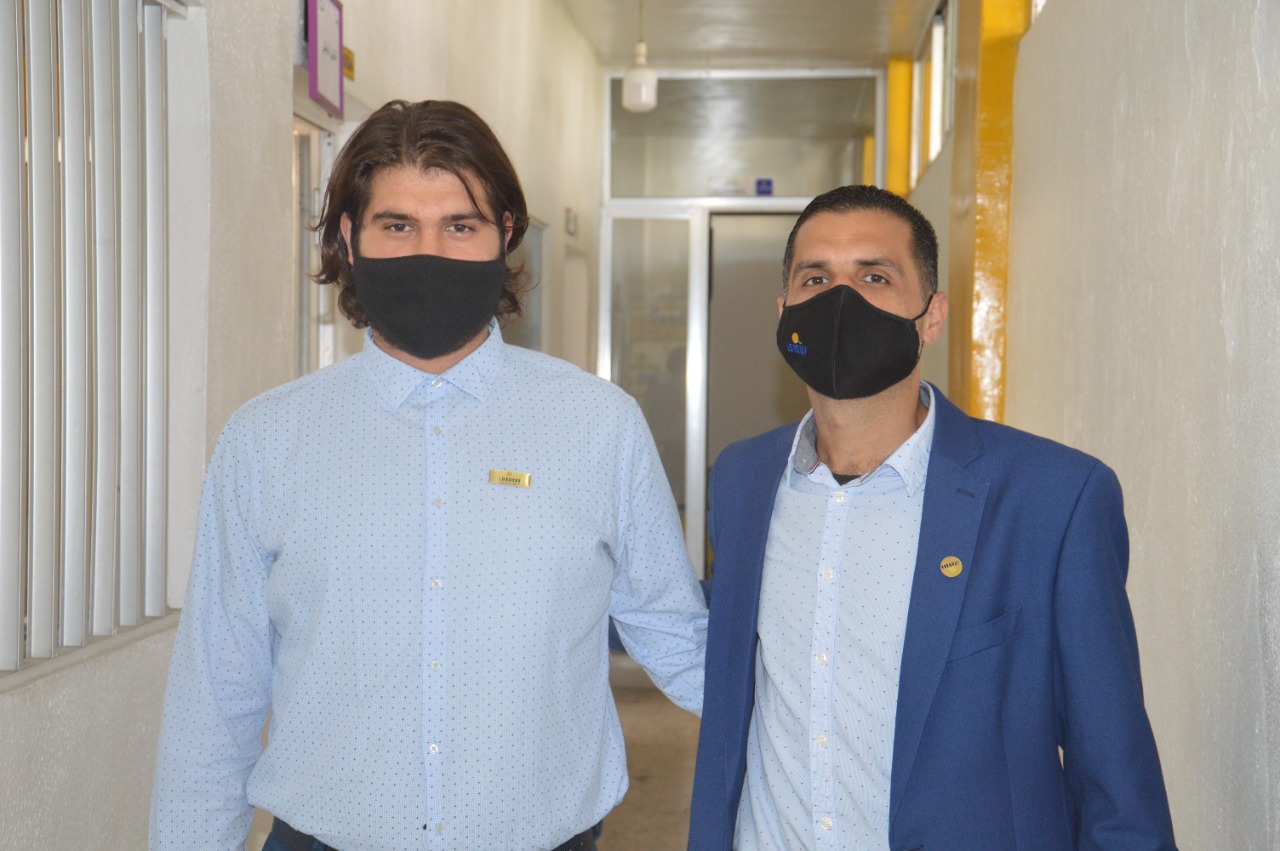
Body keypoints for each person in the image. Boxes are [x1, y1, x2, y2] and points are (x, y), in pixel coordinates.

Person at [150, 100, 708, 851]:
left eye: (460, 226)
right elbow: (216, 695)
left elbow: (679, 637)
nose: (429, 253)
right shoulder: (266, 440)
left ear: (506, 234)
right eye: (398, 226)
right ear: (349, 238)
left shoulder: (599, 426)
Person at [688, 185, 1176, 850]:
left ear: (932, 316)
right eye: (816, 279)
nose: (841, 302)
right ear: (784, 312)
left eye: (874, 277)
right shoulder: (743, 479)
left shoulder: (1052, 498)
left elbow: (1116, 779)